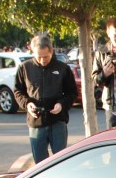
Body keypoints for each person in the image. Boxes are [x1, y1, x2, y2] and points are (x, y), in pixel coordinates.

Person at [14, 34, 77, 163]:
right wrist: (27, 104)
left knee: (60, 161)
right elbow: (18, 91)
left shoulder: (63, 68)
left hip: (58, 120)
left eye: (46, 57)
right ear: (33, 52)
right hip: (36, 122)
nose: (43, 60)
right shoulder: (25, 68)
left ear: (51, 51)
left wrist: (62, 104)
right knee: (40, 163)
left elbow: (72, 93)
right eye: (39, 57)